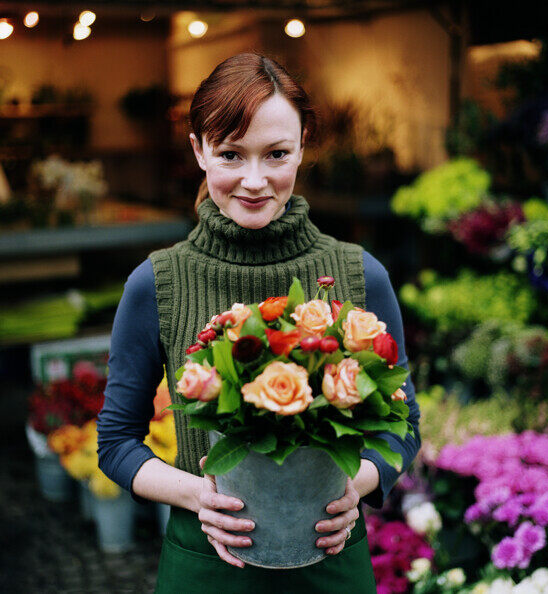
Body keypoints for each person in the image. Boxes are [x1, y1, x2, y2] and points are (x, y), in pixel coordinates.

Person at [97, 52, 421, 593]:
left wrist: (356, 486)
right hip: (208, 558)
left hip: (332, 556)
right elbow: (116, 441)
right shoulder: (157, 284)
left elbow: (402, 422)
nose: (254, 180)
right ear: (198, 149)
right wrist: (196, 494)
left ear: (303, 147)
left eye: (276, 154)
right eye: (230, 154)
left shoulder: (360, 275)